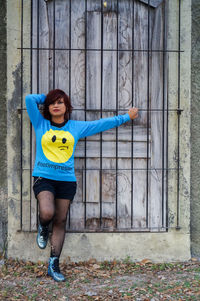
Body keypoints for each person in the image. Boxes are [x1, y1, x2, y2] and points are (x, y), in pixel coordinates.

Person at [25, 89, 139, 282]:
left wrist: (125, 117)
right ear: (48, 107)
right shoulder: (40, 123)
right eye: (53, 102)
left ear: (67, 106)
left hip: (67, 181)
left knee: (60, 221)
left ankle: (54, 264)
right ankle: (43, 226)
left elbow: (101, 124)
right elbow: (29, 99)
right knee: (47, 213)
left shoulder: (75, 127)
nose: (55, 105)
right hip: (43, 178)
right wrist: (47, 97)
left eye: (60, 102)